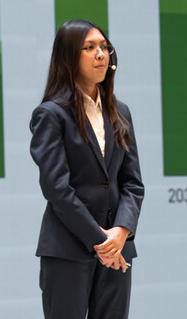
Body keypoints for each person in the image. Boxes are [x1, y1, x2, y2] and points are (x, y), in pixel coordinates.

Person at [29, 19, 144, 319]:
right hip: (69, 250)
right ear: (68, 57)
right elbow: (57, 189)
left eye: (105, 47)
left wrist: (121, 232)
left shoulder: (121, 113)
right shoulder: (52, 114)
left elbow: (132, 183)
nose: (101, 54)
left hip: (118, 251)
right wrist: (100, 240)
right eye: (89, 47)